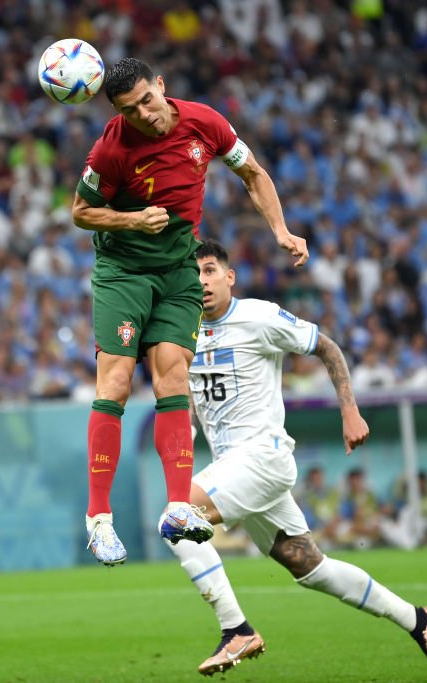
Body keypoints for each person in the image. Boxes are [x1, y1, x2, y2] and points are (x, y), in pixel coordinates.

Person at [168, 241, 427, 680]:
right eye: (194, 273)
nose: (201, 281)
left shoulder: (258, 316)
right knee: (310, 567)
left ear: (229, 277)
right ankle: (420, 621)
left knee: (176, 518)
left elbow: (327, 347)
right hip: (235, 468)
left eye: (209, 270)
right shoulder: (184, 330)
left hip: (264, 456)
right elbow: (186, 401)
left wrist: (350, 410)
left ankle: (235, 629)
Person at [71, 58, 309, 565]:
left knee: (173, 378)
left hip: (179, 267)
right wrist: (132, 220)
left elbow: (252, 172)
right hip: (124, 271)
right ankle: (99, 519)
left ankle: (180, 507)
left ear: (161, 86)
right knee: (113, 383)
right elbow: (80, 212)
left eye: (147, 101)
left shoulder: (206, 122)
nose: (144, 114)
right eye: (129, 110)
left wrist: (281, 232)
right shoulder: (112, 148)